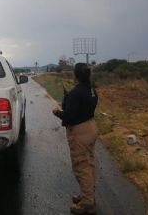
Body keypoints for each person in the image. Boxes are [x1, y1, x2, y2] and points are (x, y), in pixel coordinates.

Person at [52, 63, 98, 214]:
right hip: (91, 127)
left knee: (81, 167)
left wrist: (56, 112)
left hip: (80, 133)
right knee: (89, 163)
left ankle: (87, 204)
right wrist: (67, 100)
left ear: (76, 76)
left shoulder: (76, 93)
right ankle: (88, 195)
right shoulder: (91, 90)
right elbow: (83, 108)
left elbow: (69, 116)